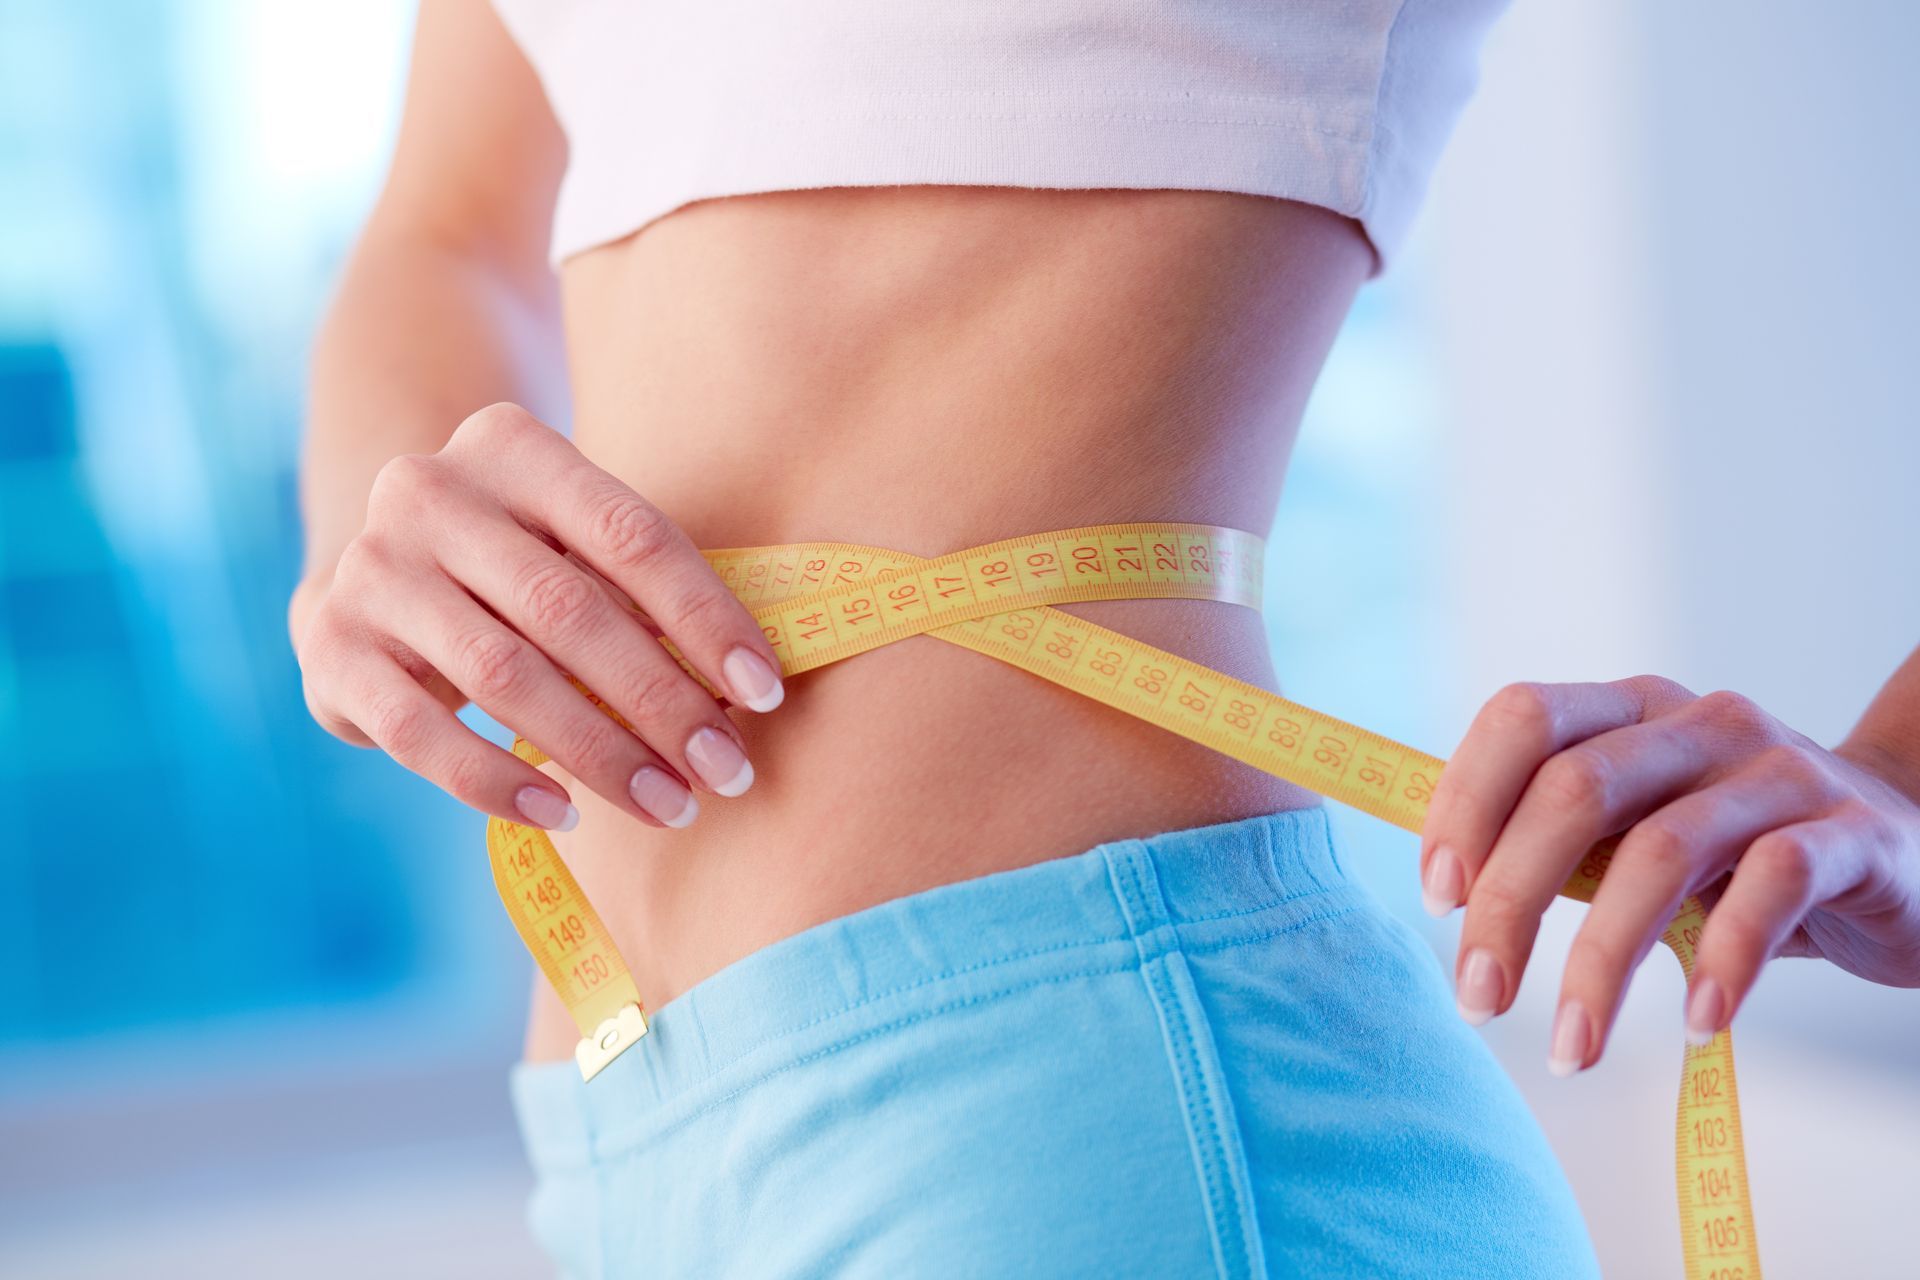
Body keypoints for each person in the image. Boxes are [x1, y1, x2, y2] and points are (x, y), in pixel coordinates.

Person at [287, 3, 1920, 1276]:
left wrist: (1895, 785)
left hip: (1101, 1105)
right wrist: (391, 521)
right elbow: (446, 232)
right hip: (618, 1144)